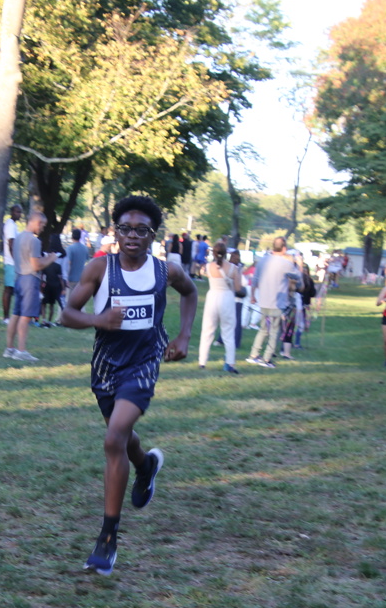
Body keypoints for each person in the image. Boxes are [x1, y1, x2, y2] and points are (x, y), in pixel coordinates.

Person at [61, 195, 197, 576]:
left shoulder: (165, 271)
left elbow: (190, 293)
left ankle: (107, 538)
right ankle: (146, 464)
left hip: (144, 362)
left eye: (141, 230)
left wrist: (184, 336)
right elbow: (67, 314)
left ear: (153, 235)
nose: (133, 236)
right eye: (125, 228)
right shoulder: (99, 268)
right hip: (106, 366)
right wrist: (98, 320)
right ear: (115, 232)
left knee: (113, 438)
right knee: (121, 437)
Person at [4, 211, 57, 361]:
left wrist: (44, 258)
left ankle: (9, 349)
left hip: (19, 278)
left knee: (16, 314)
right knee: (26, 316)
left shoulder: (18, 238)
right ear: (36, 222)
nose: (42, 228)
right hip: (30, 280)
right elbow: (36, 266)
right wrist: (51, 258)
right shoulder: (34, 241)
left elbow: (28, 260)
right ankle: (21, 351)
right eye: (42, 225)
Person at [246, 237, 297, 368]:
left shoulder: (262, 261)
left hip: (264, 300)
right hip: (277, 303)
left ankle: (253, 354)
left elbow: (255, 280)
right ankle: (266, 358)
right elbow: (297, 276)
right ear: (284, 248)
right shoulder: (286, 264)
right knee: (273, 331)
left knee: (263, 329)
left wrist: (253, 296)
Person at [198, 241, 243, 373]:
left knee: (207, 331)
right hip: (227, 298)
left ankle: (202, 361)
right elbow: (238, 288)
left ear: (213, 253)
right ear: (225, 253)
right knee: (228, 331)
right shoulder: (233, 268)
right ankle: (230, 362)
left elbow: (202, 272)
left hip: (212, 297)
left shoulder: (208, 266)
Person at [1, 204, 24, 324]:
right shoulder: (10, 225)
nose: (19, 214)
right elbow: (11, 244)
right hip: (11, 262)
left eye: (20, 212)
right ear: (11, 212)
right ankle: (6, 317)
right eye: (17, 212)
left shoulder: (14, 225)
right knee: (8, 289)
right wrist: (16, 260)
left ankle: (13, 316)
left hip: (13, 262)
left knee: (13, 290)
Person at [40, 238, 67, 326]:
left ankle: (44, 320)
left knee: (44, 303)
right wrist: (63, 287)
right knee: (56, 304)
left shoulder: (45, 260)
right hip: (57, 285)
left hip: (47, 285)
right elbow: (61, 276)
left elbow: (42, 276)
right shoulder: (62, 257)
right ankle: (53, 320)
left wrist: (41, 286)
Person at [65, 228, 90, 311]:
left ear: (72, 237)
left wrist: (66, 277)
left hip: (71, 278)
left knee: (69, 300)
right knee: (80, 299)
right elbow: (87, 261)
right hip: (81, 278)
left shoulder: (70, 249)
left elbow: (68, 263)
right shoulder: (85, 248)